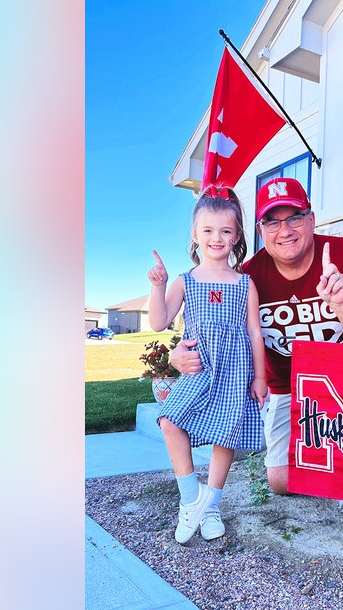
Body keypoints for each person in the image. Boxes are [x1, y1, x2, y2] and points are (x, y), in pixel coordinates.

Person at [170, 177, 343, 545]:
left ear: (312, 219)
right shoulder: (249, 276)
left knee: (340, 446)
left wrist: (342, 305)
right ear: (258, 230)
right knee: (280, 482)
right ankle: (325, 451)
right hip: (288, 387)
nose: (284, 230)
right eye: (273, 221)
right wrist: (180, 350)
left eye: (295, 217)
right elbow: (215, 326)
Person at [147, 186, 266, 544]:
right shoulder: (186, 280)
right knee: (169, 421)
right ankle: (192, 499)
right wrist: (159, 286)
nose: (217, 238)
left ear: (237, 236)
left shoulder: (245, 283)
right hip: (200, 365)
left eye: (226, 231)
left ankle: (211, 505)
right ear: (195, 235)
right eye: (209, 231)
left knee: (225, 435)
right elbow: (159, 321)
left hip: (235, 369)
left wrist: (260, 377)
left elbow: (255, 333)